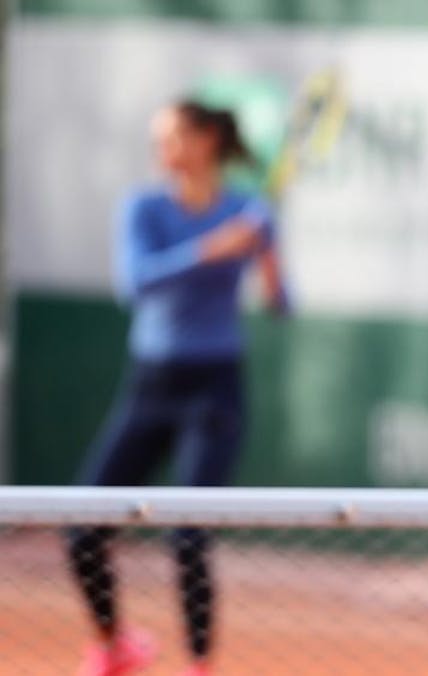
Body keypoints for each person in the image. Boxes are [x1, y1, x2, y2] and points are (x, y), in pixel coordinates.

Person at [66, 99, 287, 676]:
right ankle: (115, 645)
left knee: (188, 537)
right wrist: (214, 246)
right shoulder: (142, 206)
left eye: (173, 136)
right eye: (157, 138)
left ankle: (198, 667)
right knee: (80, 531)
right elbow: (135, 282)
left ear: (208, 140)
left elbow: (282, 305)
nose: (161, 149)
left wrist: (266, 255)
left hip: (215, 389)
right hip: (150, 386)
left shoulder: (249, 210)